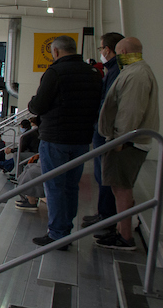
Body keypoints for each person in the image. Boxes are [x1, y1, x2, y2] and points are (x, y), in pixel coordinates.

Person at [27, 35, 102, 248]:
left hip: (56, 138)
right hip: (81, 139)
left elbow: (39, 105)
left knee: (54, 186)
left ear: (57, 52)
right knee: (71, 186)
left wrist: (32, 103)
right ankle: (66, 230)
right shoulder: (92, 73)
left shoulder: (55, 72)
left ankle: (58, 233)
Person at [95, 37, 159, 250]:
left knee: (122, 190)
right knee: (119, 188)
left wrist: (120, 141)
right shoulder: (136, 71)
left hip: (127, 143)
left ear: (120, 51)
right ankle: (122, 231)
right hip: (127, 141)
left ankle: (125, 237)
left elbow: (130, 112)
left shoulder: (136, 75)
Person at [82, 32, 124, 231]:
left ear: (107, 49)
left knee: (104, 175)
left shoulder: (116, 71)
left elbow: (108, 104)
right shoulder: (113, 70)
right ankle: (103, 213)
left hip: (104, 132)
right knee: (101, 175)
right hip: (102, 130)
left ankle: (106, 216)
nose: (101, 53)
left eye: (101, 49)